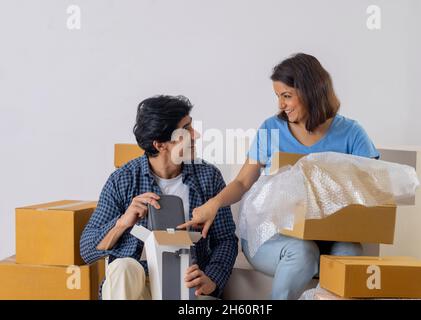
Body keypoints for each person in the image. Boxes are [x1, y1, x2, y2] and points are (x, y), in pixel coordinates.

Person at [178, 53, 379, 300]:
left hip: (332, 233)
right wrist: (214, 203)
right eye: (278, 96)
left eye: (287, 96)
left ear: (311, 92)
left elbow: (373, 182)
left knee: (350, 252)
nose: (281, 105)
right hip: (272, 236)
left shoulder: (351, 133)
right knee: (302, 251)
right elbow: (242, 182)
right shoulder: (272, 129)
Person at [80, 95, 238, 300]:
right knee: (122, 267)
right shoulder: (123, 179)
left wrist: (212, 280)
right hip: (136, 286)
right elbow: (87, 250)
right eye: (186, 130)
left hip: (186, 285)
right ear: (160, 144)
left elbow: (226, 240)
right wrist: (122, 223)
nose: (196, 135)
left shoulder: (208, 177)